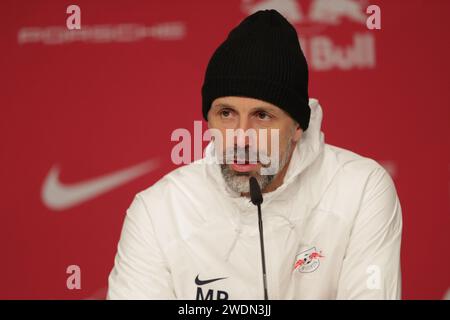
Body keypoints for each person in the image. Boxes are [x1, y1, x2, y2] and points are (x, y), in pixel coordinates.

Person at [107, 9, 402, 300]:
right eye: (226, 113)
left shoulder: (360, 190)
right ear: (208, 118)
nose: (241, 137)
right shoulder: (158, 211)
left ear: (298, 125)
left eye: (262, 115)